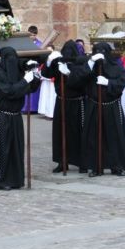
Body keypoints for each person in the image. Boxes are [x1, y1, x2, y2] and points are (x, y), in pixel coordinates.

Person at [0, 47, 40, 190]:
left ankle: (14, 178)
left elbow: (30, 88)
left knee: (15, 148)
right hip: (1, 115)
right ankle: (0, 179)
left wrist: (34, 76)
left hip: (15, 116)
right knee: (2, 148)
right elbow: (8, 91)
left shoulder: (18, 72)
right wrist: (24, 82)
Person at [76, 42, 125, 176]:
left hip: (111, 106)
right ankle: (96, 166)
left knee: (114, 136)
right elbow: (78, 78)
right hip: (95, 105)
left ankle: (116, 165)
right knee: (94, 137)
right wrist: (91, 63)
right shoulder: (91, 65)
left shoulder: (116, 66)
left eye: (103, 51)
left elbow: (121, 83)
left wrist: (108, 83)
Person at [42, 40, 88, 173]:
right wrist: (49, 62)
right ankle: (62, 161)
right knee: (60, 132)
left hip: (77, 102)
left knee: (78, 132)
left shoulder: (80, 63)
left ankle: (82, 161)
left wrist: (69, 73)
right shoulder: (59, 63)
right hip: (62, 101)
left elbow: (81, 80)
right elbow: (46, 74)